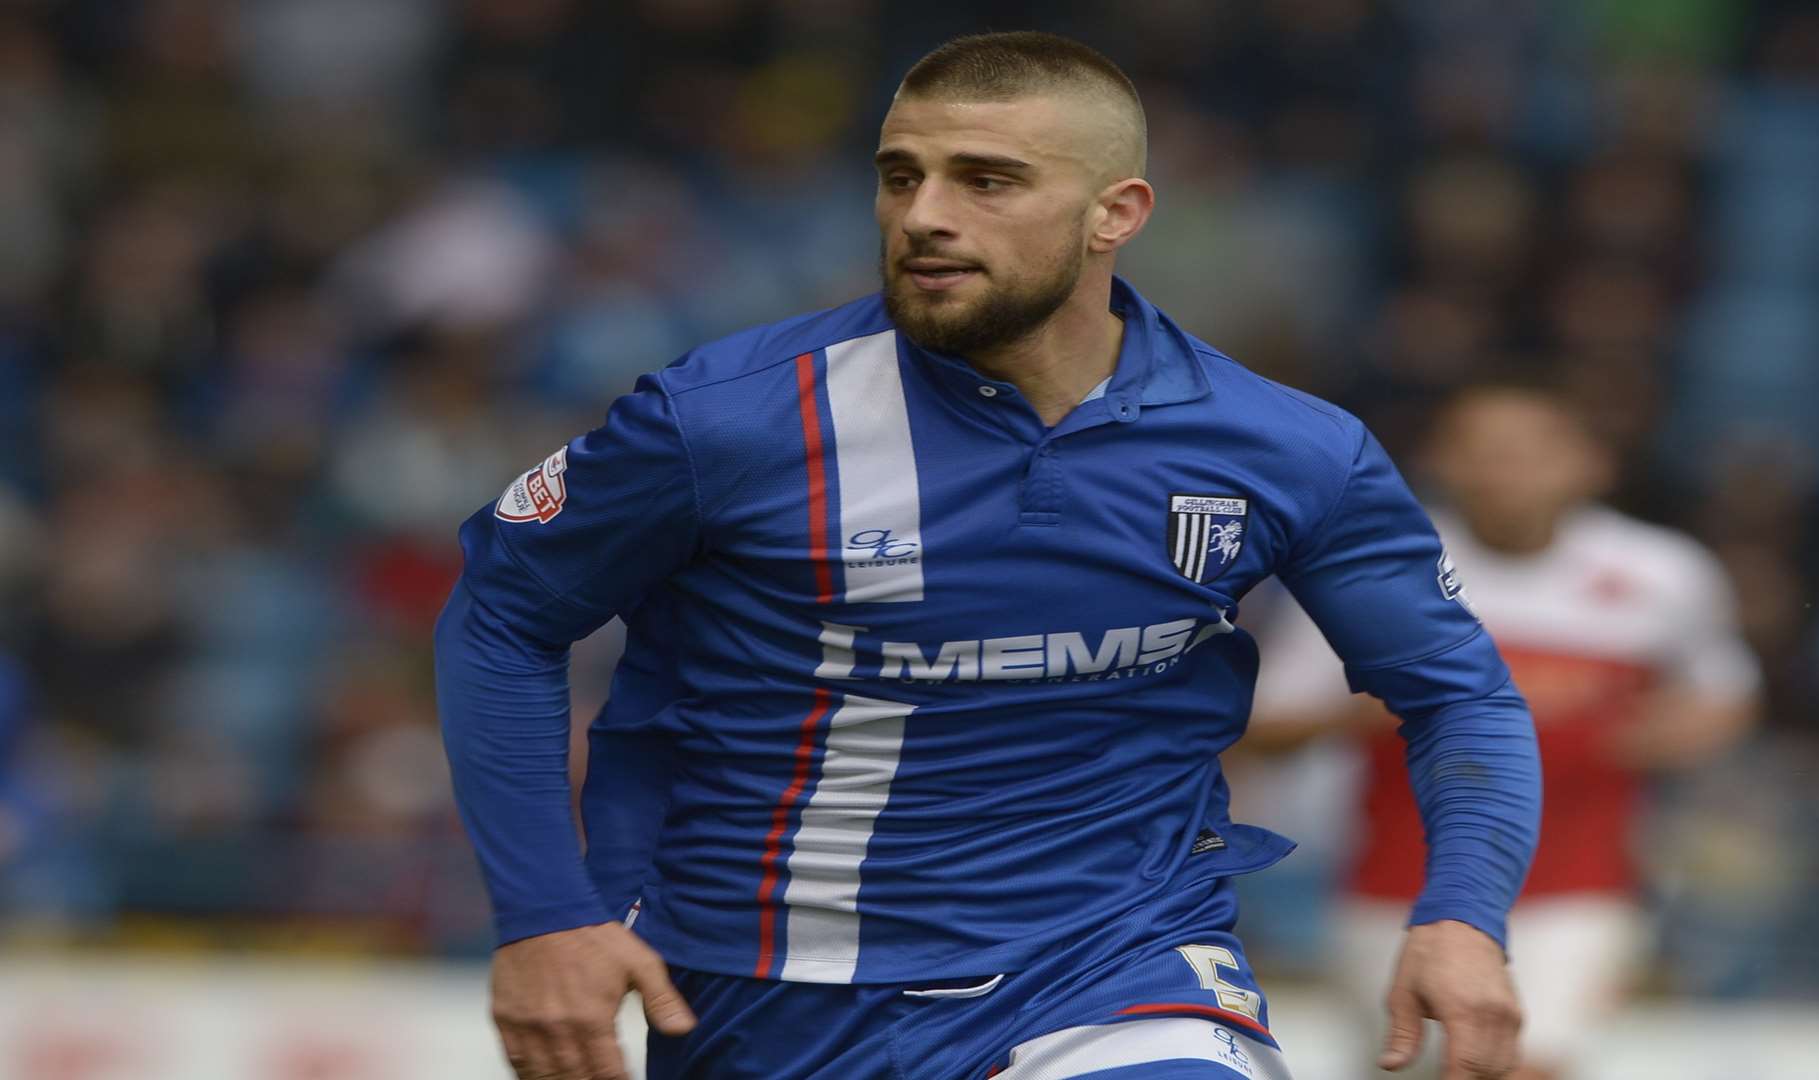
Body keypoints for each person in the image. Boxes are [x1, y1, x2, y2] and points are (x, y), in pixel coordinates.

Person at [435, 32, 1542, 1080]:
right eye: (898, 175)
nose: (923, 215)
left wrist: (1463, 917)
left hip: (1116, 962)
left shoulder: (1289, 450)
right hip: (764, 993)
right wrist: (545, 914)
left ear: (1118, 212)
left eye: (986, 179)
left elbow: (1459, 693)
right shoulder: (723, 421)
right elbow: (501, 615)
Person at [1239, 380, 1759, 1079]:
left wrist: (1665, 737)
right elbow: (1264, 721)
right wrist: (1358, 714)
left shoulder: (1662, 572)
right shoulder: (1374, 564)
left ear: (1591, 463)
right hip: (1395, 880)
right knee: (1410, 1063)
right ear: (1440, 461)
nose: (1504, 471)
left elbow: (1725, 692)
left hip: (1579, 882)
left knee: (1515, 1066)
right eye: (1480, 451)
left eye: (1529, 451)